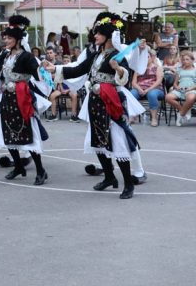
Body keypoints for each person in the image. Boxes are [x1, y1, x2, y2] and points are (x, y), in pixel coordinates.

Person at [47, 13, 138, 199]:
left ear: (108, 35)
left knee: (117, 141)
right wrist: (55, 69)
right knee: (97, 139)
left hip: (111, 102)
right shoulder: (96, 55)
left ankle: (128, 184)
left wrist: (118, 68)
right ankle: (109, 177)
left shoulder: (117, 55)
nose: (95, 36)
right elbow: (79, 69)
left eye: (98, 33)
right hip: (95, 102)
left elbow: (125, 78)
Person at [0, 15, 49, 186]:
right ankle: (18, 166)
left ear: (18, 40)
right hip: (7, 99)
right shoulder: (5, 56)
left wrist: (45, 70)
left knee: (28, 133)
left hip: (22, 98)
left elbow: (37, 74)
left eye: (9, 38)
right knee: (8, 132)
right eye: (5, 38)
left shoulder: (26, 56)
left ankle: (40, 170)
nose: (6, 40)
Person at [130, 48, 164, 126]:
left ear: (152, 57)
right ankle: (133, 116)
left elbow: (159, 81)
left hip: (155, 89)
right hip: (140, 88)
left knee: (152, 94)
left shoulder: (158, 67)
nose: (145, 59)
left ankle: (154, 118)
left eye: (147, 57)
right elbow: (134, 82)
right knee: (132, 94)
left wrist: (147, 90)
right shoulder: (138, 68)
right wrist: (139, 89)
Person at [164, 50, 196, 127]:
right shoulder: (179, 69)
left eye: (187, 59)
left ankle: (180, 115)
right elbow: (175, 83)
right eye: (184, 59)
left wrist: (190, 88)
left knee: (191, 98)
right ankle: (184, 111)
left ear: (192, 60)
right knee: (168, 97)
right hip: (180, 89)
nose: (185, 61)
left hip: (191, 89)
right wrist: (176, 87)